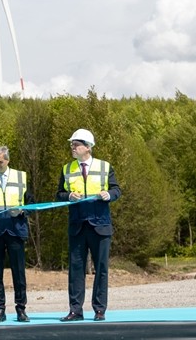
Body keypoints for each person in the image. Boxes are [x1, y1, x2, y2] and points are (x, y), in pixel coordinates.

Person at [57, 128, 120, 323]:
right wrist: (68, 196)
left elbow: (116, 189)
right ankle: (75, 310)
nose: (72, 148)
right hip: (77, 225)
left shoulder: (104, 166)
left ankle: (99, 309)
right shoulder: (67, 169)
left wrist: (109, 195)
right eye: (72, 145)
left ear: (88, 147)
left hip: (100, 225)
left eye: (76, 145)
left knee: (101, 268)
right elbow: (59, 194)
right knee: (76, 269)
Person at [0, 145, 34, 323]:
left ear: (7, 160)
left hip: (15, 230)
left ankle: (21, 309)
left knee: (19, 272)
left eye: (0, 162)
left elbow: (31, 203)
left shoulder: (21, 177)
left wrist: (23, 212)